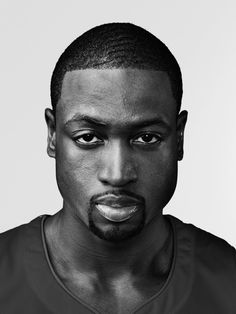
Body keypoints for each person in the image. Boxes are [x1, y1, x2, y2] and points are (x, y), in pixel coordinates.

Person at [0, 23, 235, 314]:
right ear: (52, 135)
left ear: (179, 137)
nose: (118, 174)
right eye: (88, 138)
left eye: (147, 138)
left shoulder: (227, 282)